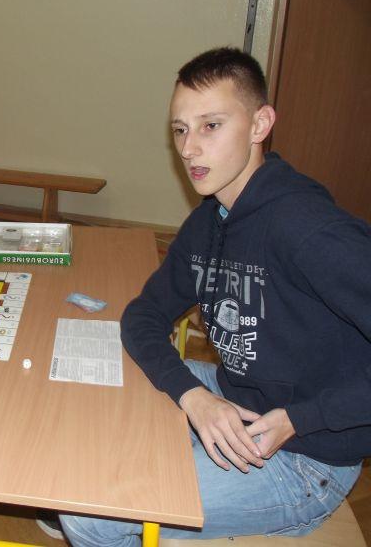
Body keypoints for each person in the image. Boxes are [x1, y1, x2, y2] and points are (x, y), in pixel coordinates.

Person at [58, 47, 369, 546]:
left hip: (307, 460)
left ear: (259, 124)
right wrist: (194, 397)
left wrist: (302, 418)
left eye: (211, 126)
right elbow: (143, 316)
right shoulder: (209, 221)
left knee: (88, 518)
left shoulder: (307, 228)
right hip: (233, 398)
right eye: (180, 130)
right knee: (96, 379)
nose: (189, 149)